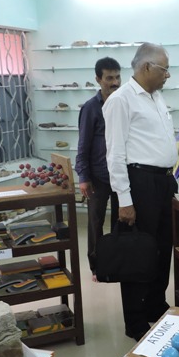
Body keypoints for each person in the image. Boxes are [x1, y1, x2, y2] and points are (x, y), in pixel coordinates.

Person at [103, 43, 178, 341]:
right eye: (164, 70)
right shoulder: (121, 100)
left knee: (162, 247)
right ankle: (135, 320)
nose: (167, 75)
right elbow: (115, 154)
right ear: (147, 67)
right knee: (137, 252)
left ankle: (155, 305)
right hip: (139, 182)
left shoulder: (156, 96)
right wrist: (125, 199)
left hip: (163, 182)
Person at [75, 57, 121, 280]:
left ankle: (117, 264)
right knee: (95, 223)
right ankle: (96, 268)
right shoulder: (91, 108)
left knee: (120, 223)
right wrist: (83, 177)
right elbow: (83, 145)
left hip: (121, 176)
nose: (115, 82)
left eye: (118, 77)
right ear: (98, 79)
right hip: (98, 177)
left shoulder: (123, 103)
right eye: (109, 78)